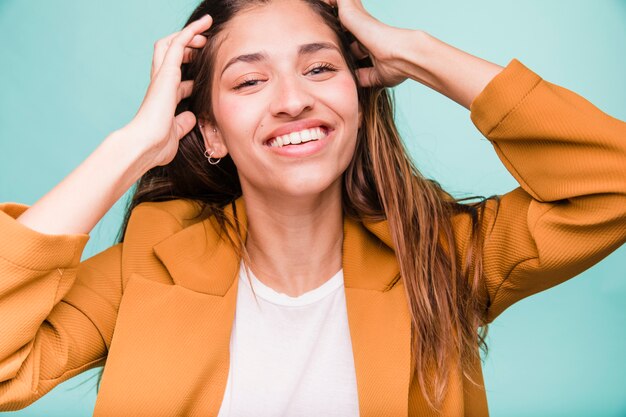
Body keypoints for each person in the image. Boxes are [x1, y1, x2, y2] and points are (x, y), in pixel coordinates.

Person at [1, 0, 624, 416]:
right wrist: (129, 149)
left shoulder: (442, 254)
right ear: (210, 133)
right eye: (250, 81)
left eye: (320, 68)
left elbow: (612, 184)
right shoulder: (145, 268)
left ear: (359, 96)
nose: (292, 100)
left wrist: (421, 55)